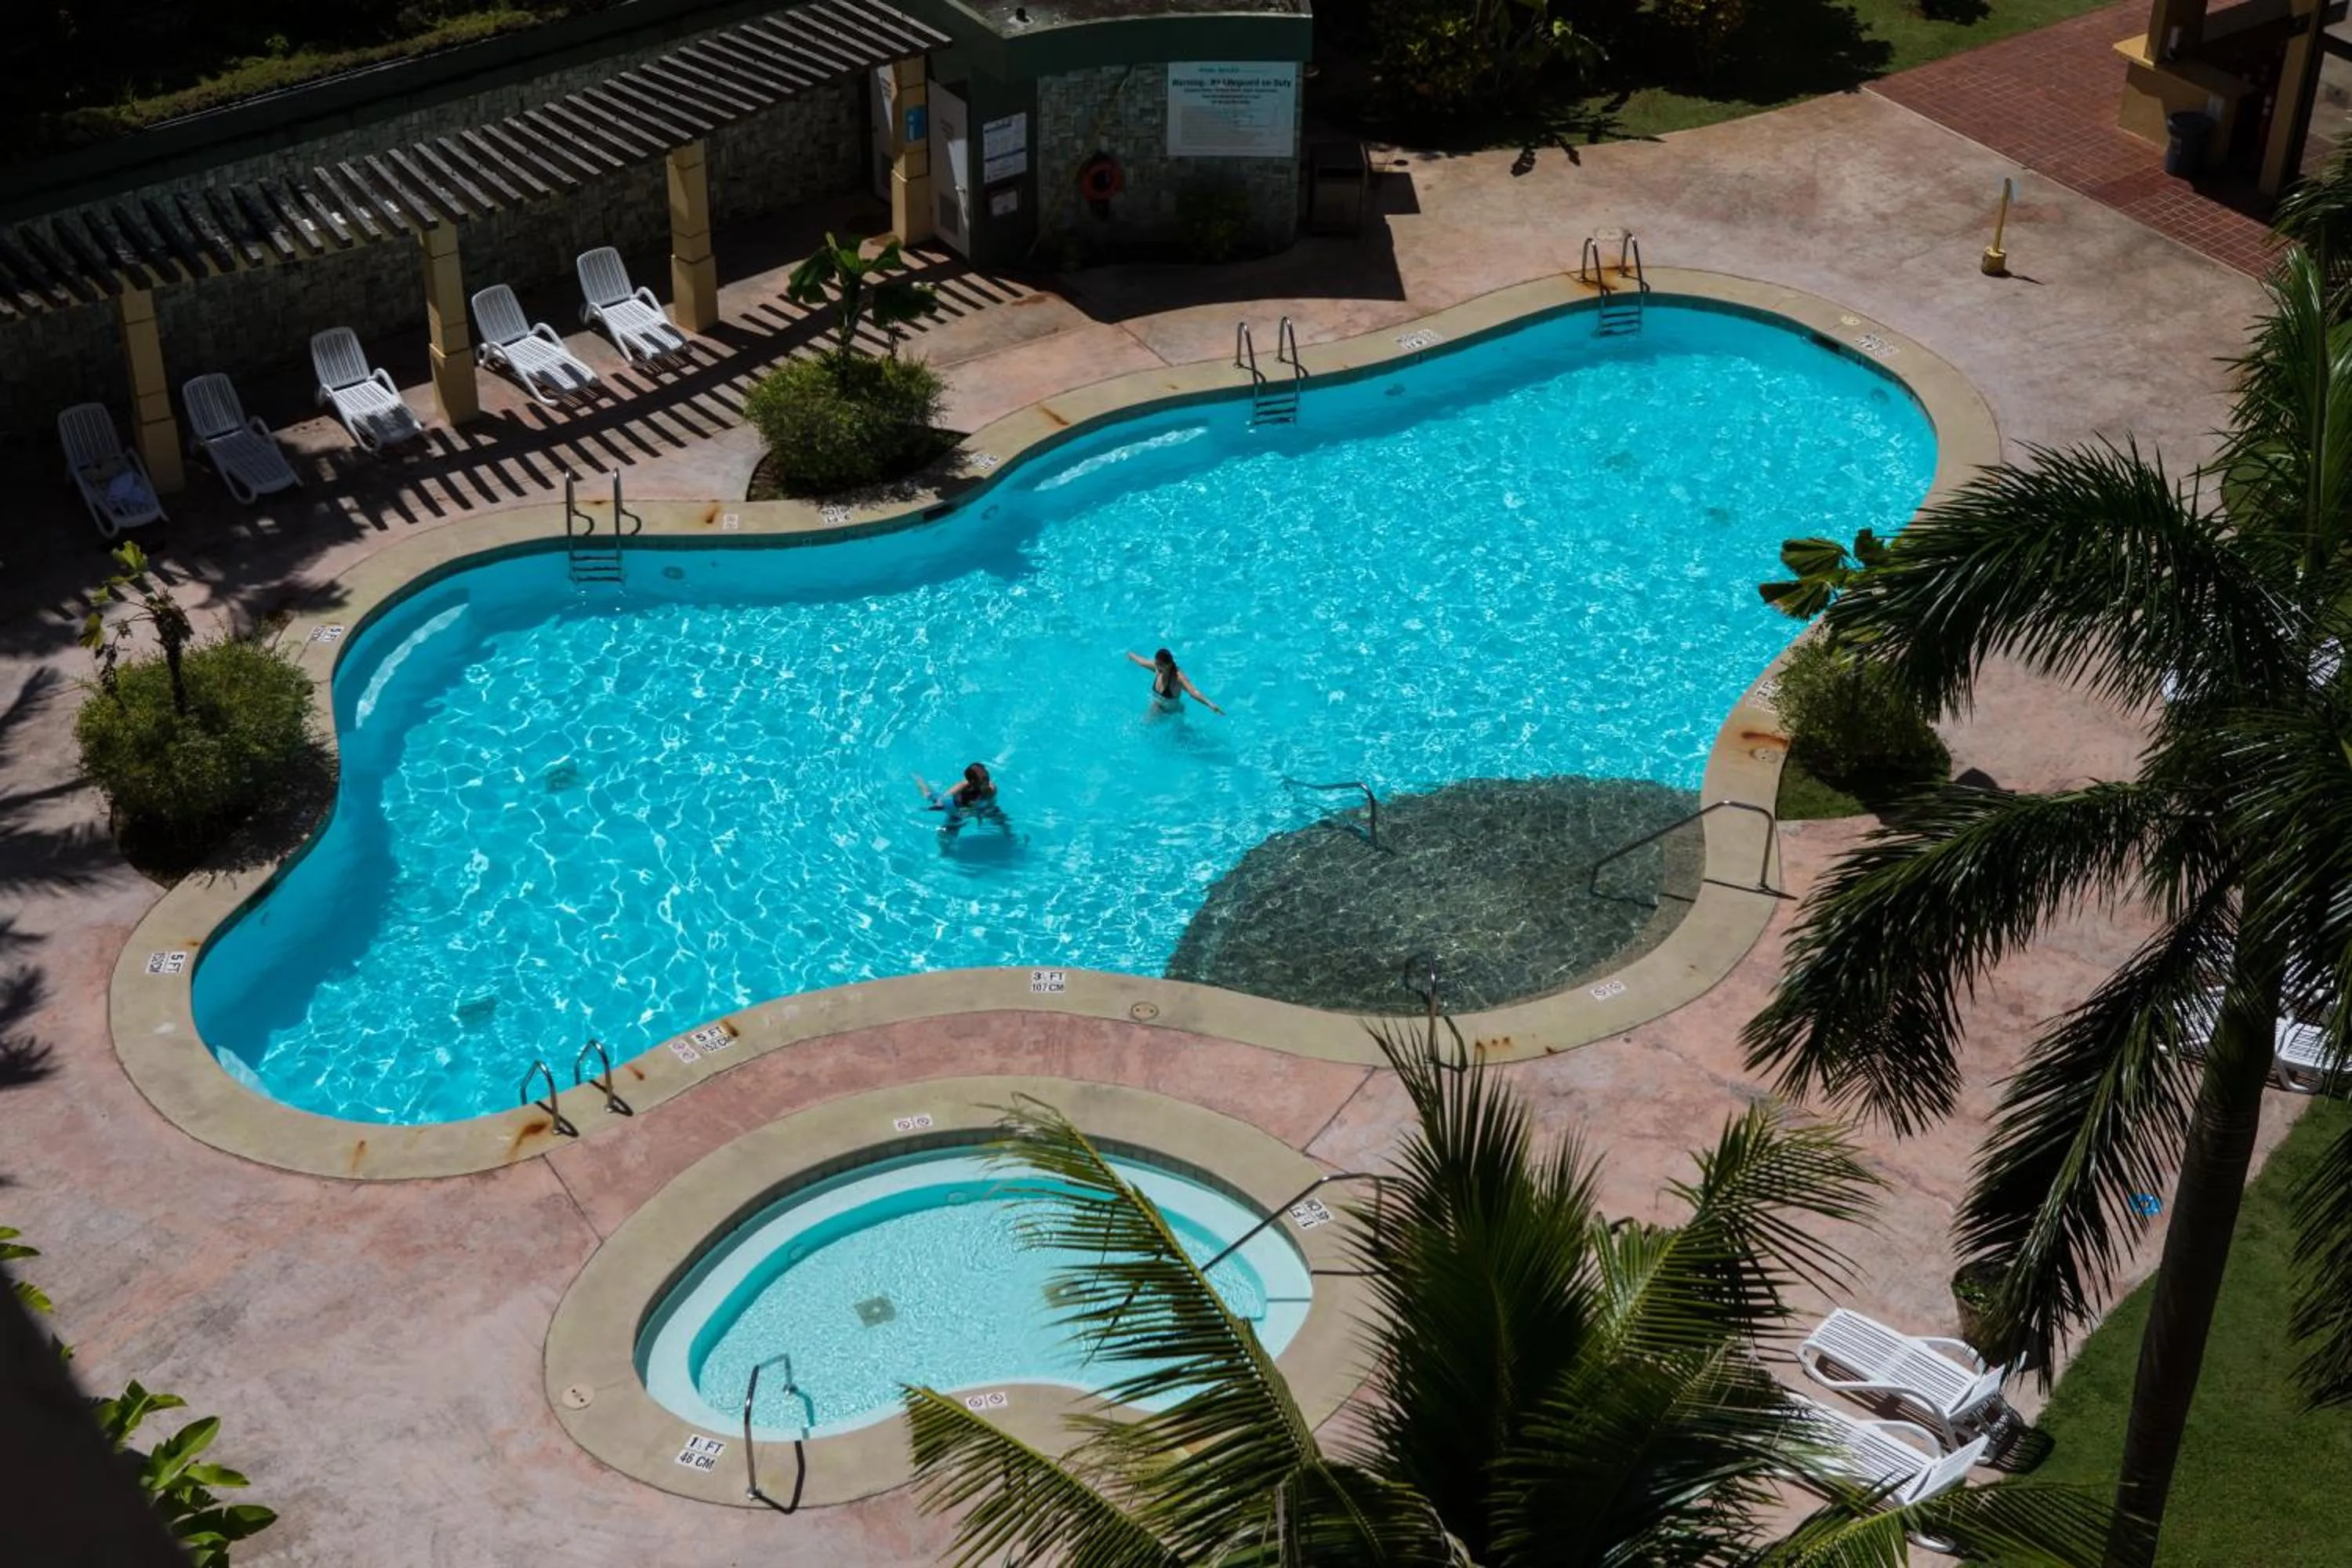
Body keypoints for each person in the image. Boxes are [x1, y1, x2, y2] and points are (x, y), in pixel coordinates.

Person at [915, 762, 1011, 843]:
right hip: (958, 810)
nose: (988, 782)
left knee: (1002, 819)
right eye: (984, 780)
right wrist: (938, 805)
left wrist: (980, 813)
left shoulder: (991, 789)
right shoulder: (963, 786)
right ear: (973, 782)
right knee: (946, 833)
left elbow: (990, 805)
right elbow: (945, 798)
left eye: (987, 777)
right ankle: (919, 780)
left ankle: (1010, 836)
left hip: (982, 808)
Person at [1126, 648, 1222, 717]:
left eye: (1161, 665)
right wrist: (1130, 655)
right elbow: (1142, 662)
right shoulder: (1157, 668)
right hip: (1158, 707)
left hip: (1174, 714)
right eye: (1156, 664)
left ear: (1169, 664)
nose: (1158, 668)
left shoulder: (1177, 677)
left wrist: (1210, 704)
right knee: (1146, 724)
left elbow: (1193, 692)